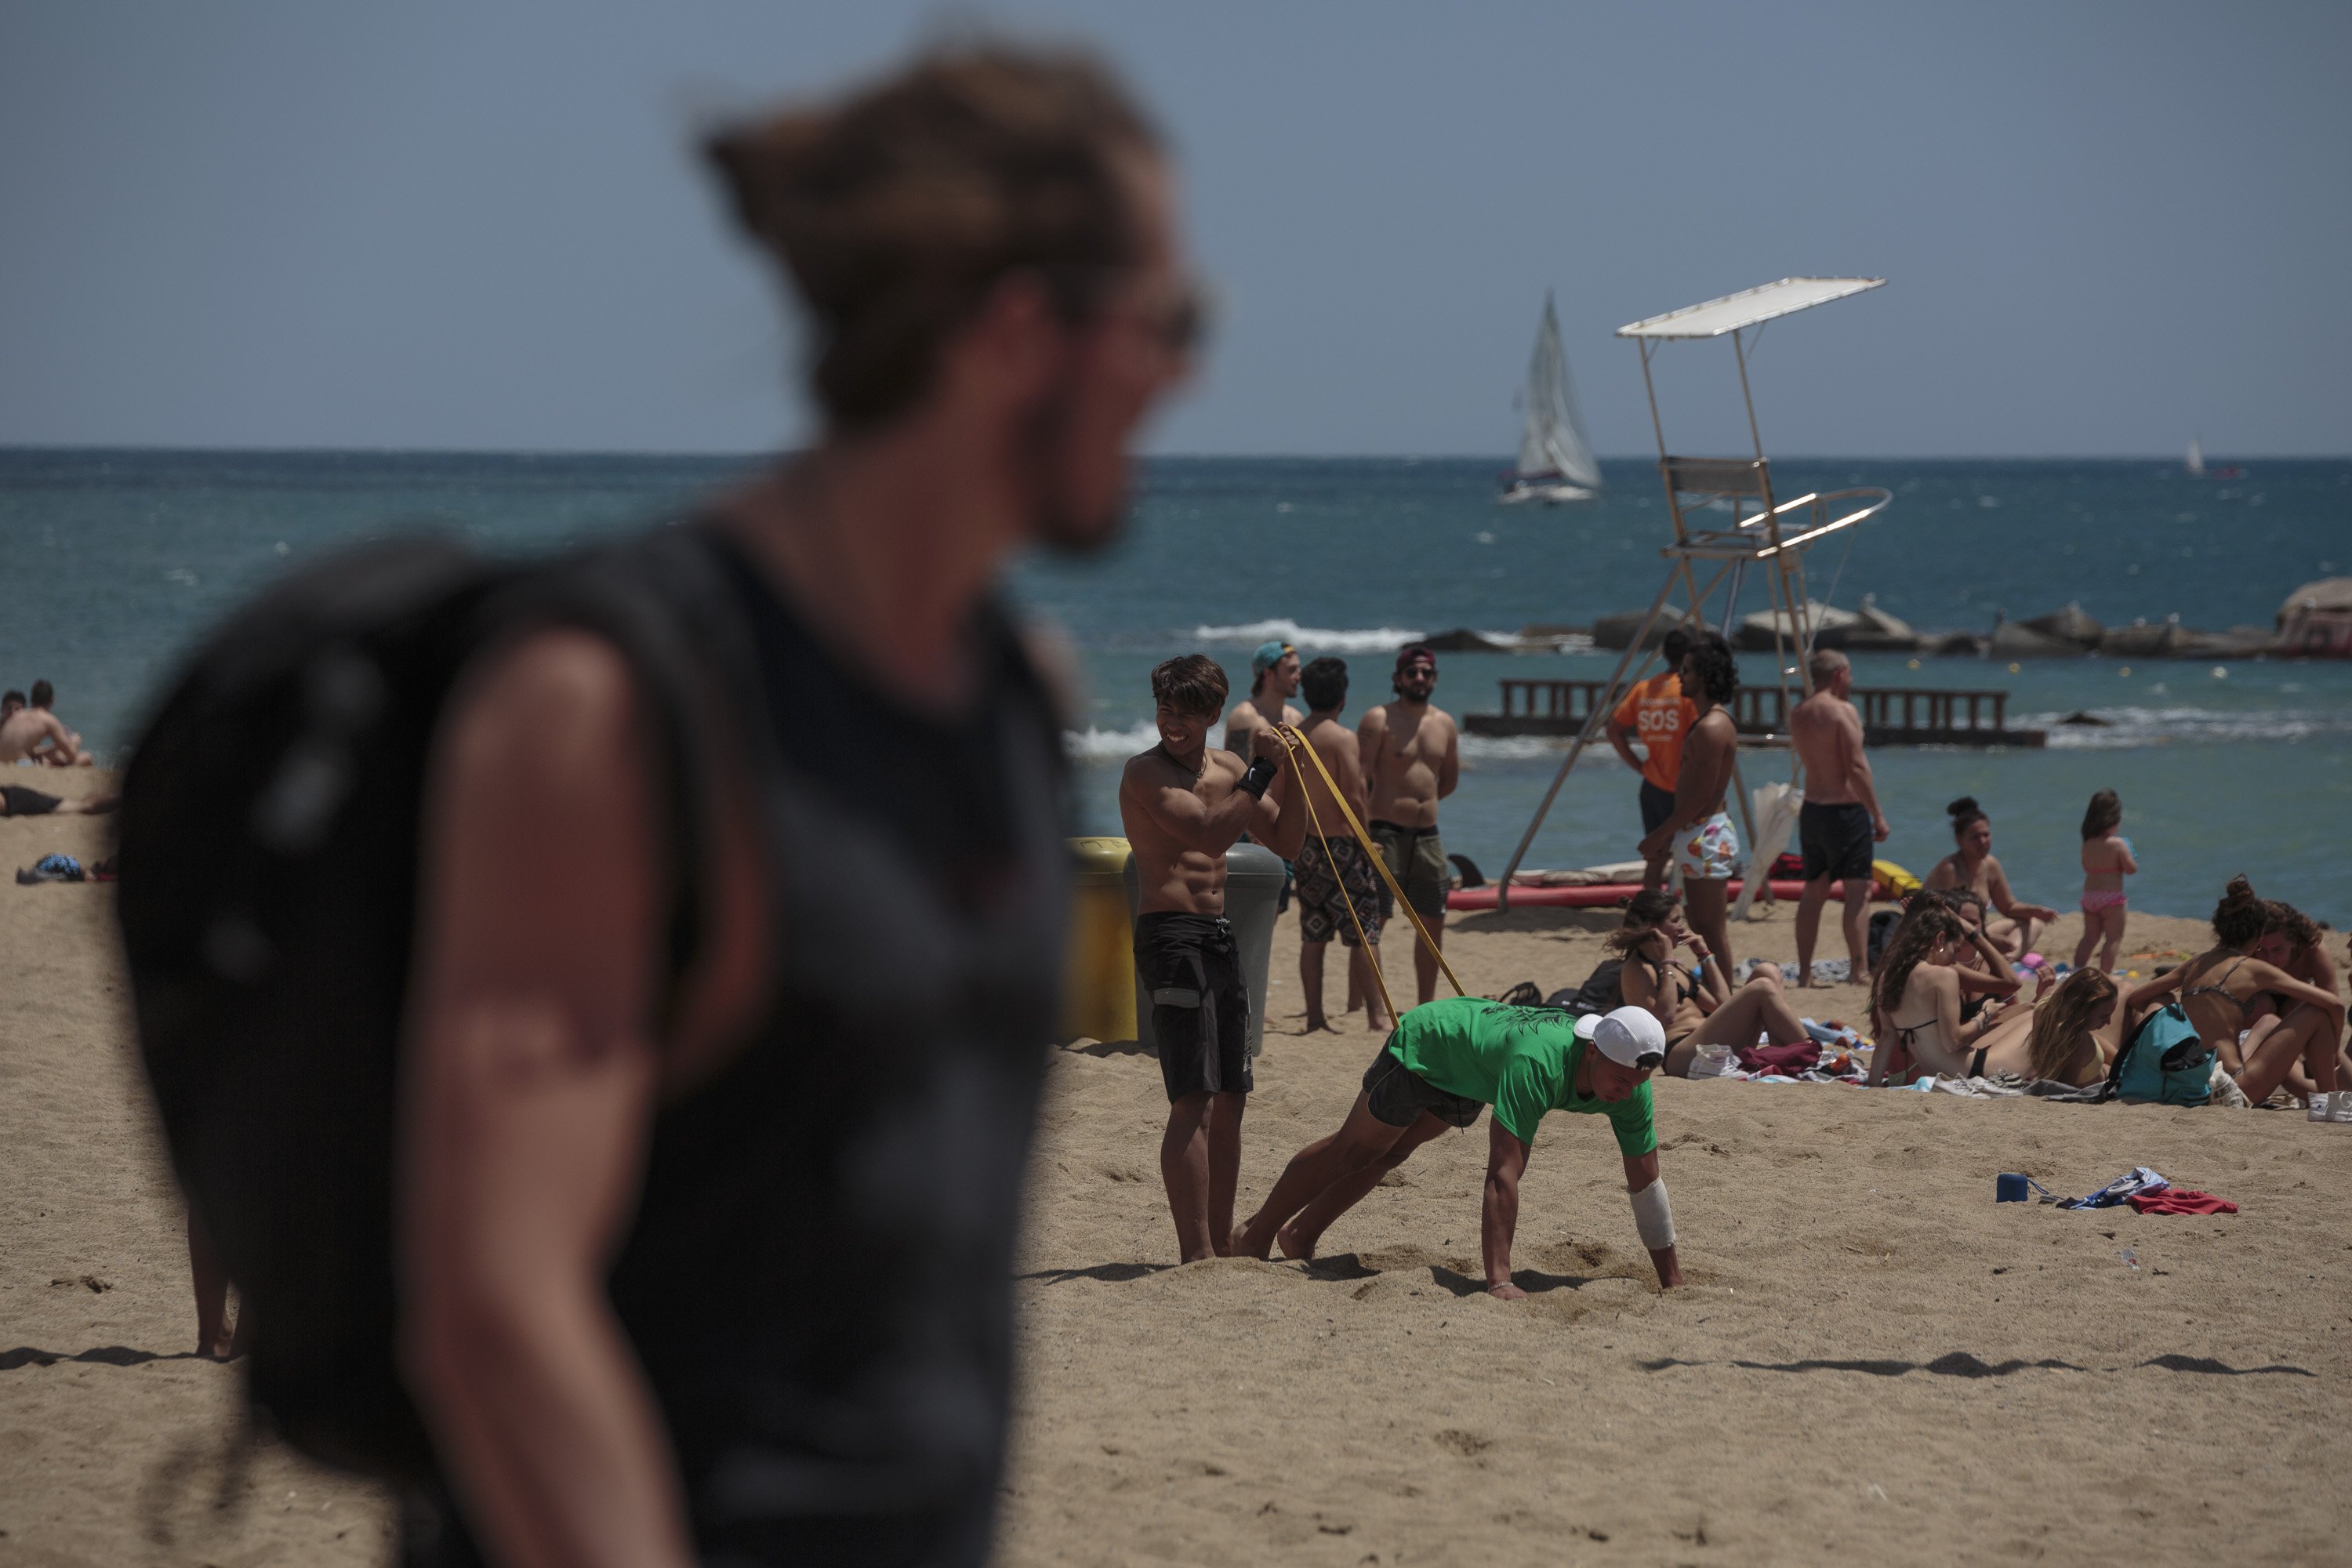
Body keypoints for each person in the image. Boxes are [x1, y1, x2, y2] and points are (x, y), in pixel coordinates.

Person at [397, 47, 1200, 1568]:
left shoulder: (1010, 691)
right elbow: (492, 1310)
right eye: (1166, 323)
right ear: (1021, 333)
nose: (1183, 375)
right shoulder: (609, 700)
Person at [1229, 999, 1683, 1296]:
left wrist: (1672, 1282)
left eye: (1639, 1081)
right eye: (1621, 1079)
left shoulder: (1632, 1086)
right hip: (1432, 1044)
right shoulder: (1538, 1065)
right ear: (1591, 1052)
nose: (1628, 1091)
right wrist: (1500, 1281)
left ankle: (1300, 1234)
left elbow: (1646, 1185)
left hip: (1475, 1074)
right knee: (1355, 1151)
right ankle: (1254, 1232)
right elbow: (1502, 1174)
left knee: (1391, 1154)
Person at [1120, 655, 1304, 1263]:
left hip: (1219, 934)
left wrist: (1293, 770)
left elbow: (1288, 841)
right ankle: (1195, 1252)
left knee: (1232, 1098)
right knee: (1192, 1099)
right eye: (1166, 710)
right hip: (1169, 935)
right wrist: (1261, 770)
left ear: (1212, 715)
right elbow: (1206, 834)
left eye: (1187, 713)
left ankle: (1222, 1241)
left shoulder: (1230, 768)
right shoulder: (1144, 773)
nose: (1173, 723)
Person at [2120, 877, 2343, 1107]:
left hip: (2195, 1080)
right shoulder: (2254, 968)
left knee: (2268, 1021)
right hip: (2234, 1086)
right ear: (2258, 937)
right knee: (2317, 1010)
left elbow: (2137, 998)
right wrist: (2334, 1051)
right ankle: (2332, 1105)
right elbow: (2334, 1004)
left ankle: (2323, 1099)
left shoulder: (2196, 963)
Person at [1283, 656, 1388, 1033]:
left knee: (1314, 933)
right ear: (1343, 697)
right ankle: (1376, 1015)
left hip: (1307, 845)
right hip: (1342, 845)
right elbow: (1355, 795)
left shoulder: (1294, 736)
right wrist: (1367, 839)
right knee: (1364, 932)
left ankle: (1314, 1017)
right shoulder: (1342, 738)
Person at [1609, 889, 1813, 1078]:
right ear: (1655, 928)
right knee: (1762, 987)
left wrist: (1705, 956)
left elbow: (1722, 1004)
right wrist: (1667, 960)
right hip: (1680, 1055)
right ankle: (1811, 1052)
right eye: (1675, 921)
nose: (1681, 927)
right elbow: (1665, 1016)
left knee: (1767, 972)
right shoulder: (1637, 968)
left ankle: (1787, 1051)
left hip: (1709, 1042)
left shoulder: (1675, 968)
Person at [1359, 645, 1459, 1007]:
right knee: (1377, 918)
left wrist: (1421, 806)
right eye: (1413, 672)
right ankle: (1369, 1003)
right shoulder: (1378, 719)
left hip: (1428, 837)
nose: (1420, 679)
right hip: (1384, 833)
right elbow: (1360, 780)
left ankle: (1426, 1004)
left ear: (1434, 679)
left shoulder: (1445, 723)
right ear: (1398, 678)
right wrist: (1365, 831)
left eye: (1427, 673)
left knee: (1432, 922)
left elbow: (1447, 781)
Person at [1638, 631, 1740, 977]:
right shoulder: (1708, 722)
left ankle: (1727, 998)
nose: (1681, 675)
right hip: (1700, 832)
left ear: (1707, 675)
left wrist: (1660, 834)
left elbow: (1701, 795)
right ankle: (1722, 993)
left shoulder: (1712, 726)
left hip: (1705, 833)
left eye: (1689, 670)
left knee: (1710, 928)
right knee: (1699, 922)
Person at [1788, 648, 1887, 988]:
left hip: (1813, 809)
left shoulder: (1798, 713)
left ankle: (1803, 973)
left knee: (1813, 891)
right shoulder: (1843, 711)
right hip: (1844, 811)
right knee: (1858, 892)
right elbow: (1855, 767)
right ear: (1839, 675)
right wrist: (1877, 814)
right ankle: (1859, 970)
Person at [1865, 901, 2027, 1084]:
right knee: (2040, 1015)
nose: (1954, 959)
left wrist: (1873, 1084)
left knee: (2028, 1012)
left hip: (1936, 1072)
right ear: (1940, 940)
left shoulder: (1888, 976)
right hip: (1973, 1071)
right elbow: (1953, 1041)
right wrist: (1985, 1014)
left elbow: (1886, 1037)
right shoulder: (1943, 975)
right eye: (1955, 950)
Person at [1604, 627, 1695, 890]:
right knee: (1693, 854)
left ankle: (1650, 911)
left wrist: (1639, 766)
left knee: (1655, 857)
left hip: (1653, 782)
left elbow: (1614, 729)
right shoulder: (1688, 692)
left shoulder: (1644, 689)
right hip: (1683, 786)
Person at [1923, 797, 2057, 960]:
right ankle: (1997, 960)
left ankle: (2007, 959)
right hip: (1948, 938)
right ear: (1959, 839)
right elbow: (1934, 916)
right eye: (1975, 837)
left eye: (1986, 835)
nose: (1983, 842)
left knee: (2034, 922)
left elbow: (2008, 906)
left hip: (1977, 935)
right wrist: (1985, 939)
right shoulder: (1949, 870)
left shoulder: (1990, 865)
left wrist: (2035, 911)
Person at [2256, 900, 2352, 1094]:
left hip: (2297, 1006)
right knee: (2263, 1007)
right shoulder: (2251, 952)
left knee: (2308, 1008)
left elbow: (2331, 1003)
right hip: (2259, 1012)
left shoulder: (2312, 950)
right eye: (2262, 950)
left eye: (2277, 950)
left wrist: (2329, 1055)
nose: (2270, 959)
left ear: (2294, 941)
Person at [1964, 967, 2120, 1087]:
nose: (2108, 1022)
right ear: (2083, 1010)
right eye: (2103, 1016)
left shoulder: (2049, 999)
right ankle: (2123, 1060)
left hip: (2097, 1064)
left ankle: (2123, 1060)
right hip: (2098, 1073)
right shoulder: (2078, 1043)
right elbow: (2062, 1087)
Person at [2073, 789, 2136, 973]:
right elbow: (2131, 869)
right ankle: (2105, 974)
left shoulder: (2088, 843)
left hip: (2090, 896)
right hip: (2112, 898)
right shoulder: (2118, 844)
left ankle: (2077, 969)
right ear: (2114, 818)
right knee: (2113, 938)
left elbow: (2086, 867)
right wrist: (2129, 852)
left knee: (2089, 938)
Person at [1222, 638, 1301, 755]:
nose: (1299, 676)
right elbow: (1235, 770)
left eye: (1299, 669)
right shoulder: (1244, 716)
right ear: (1268, 673)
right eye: (1291, 670)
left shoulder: (1296, 717)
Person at [0, 688, 88, 768]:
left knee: (58, 755)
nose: (13, 712)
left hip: (20, 761)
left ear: (23, 711)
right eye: (9, 708)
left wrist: (53, 747)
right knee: (83, 758)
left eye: (17, 709)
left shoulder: (19, 728)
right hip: (19, 763)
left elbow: (29, 750)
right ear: (2, 708)